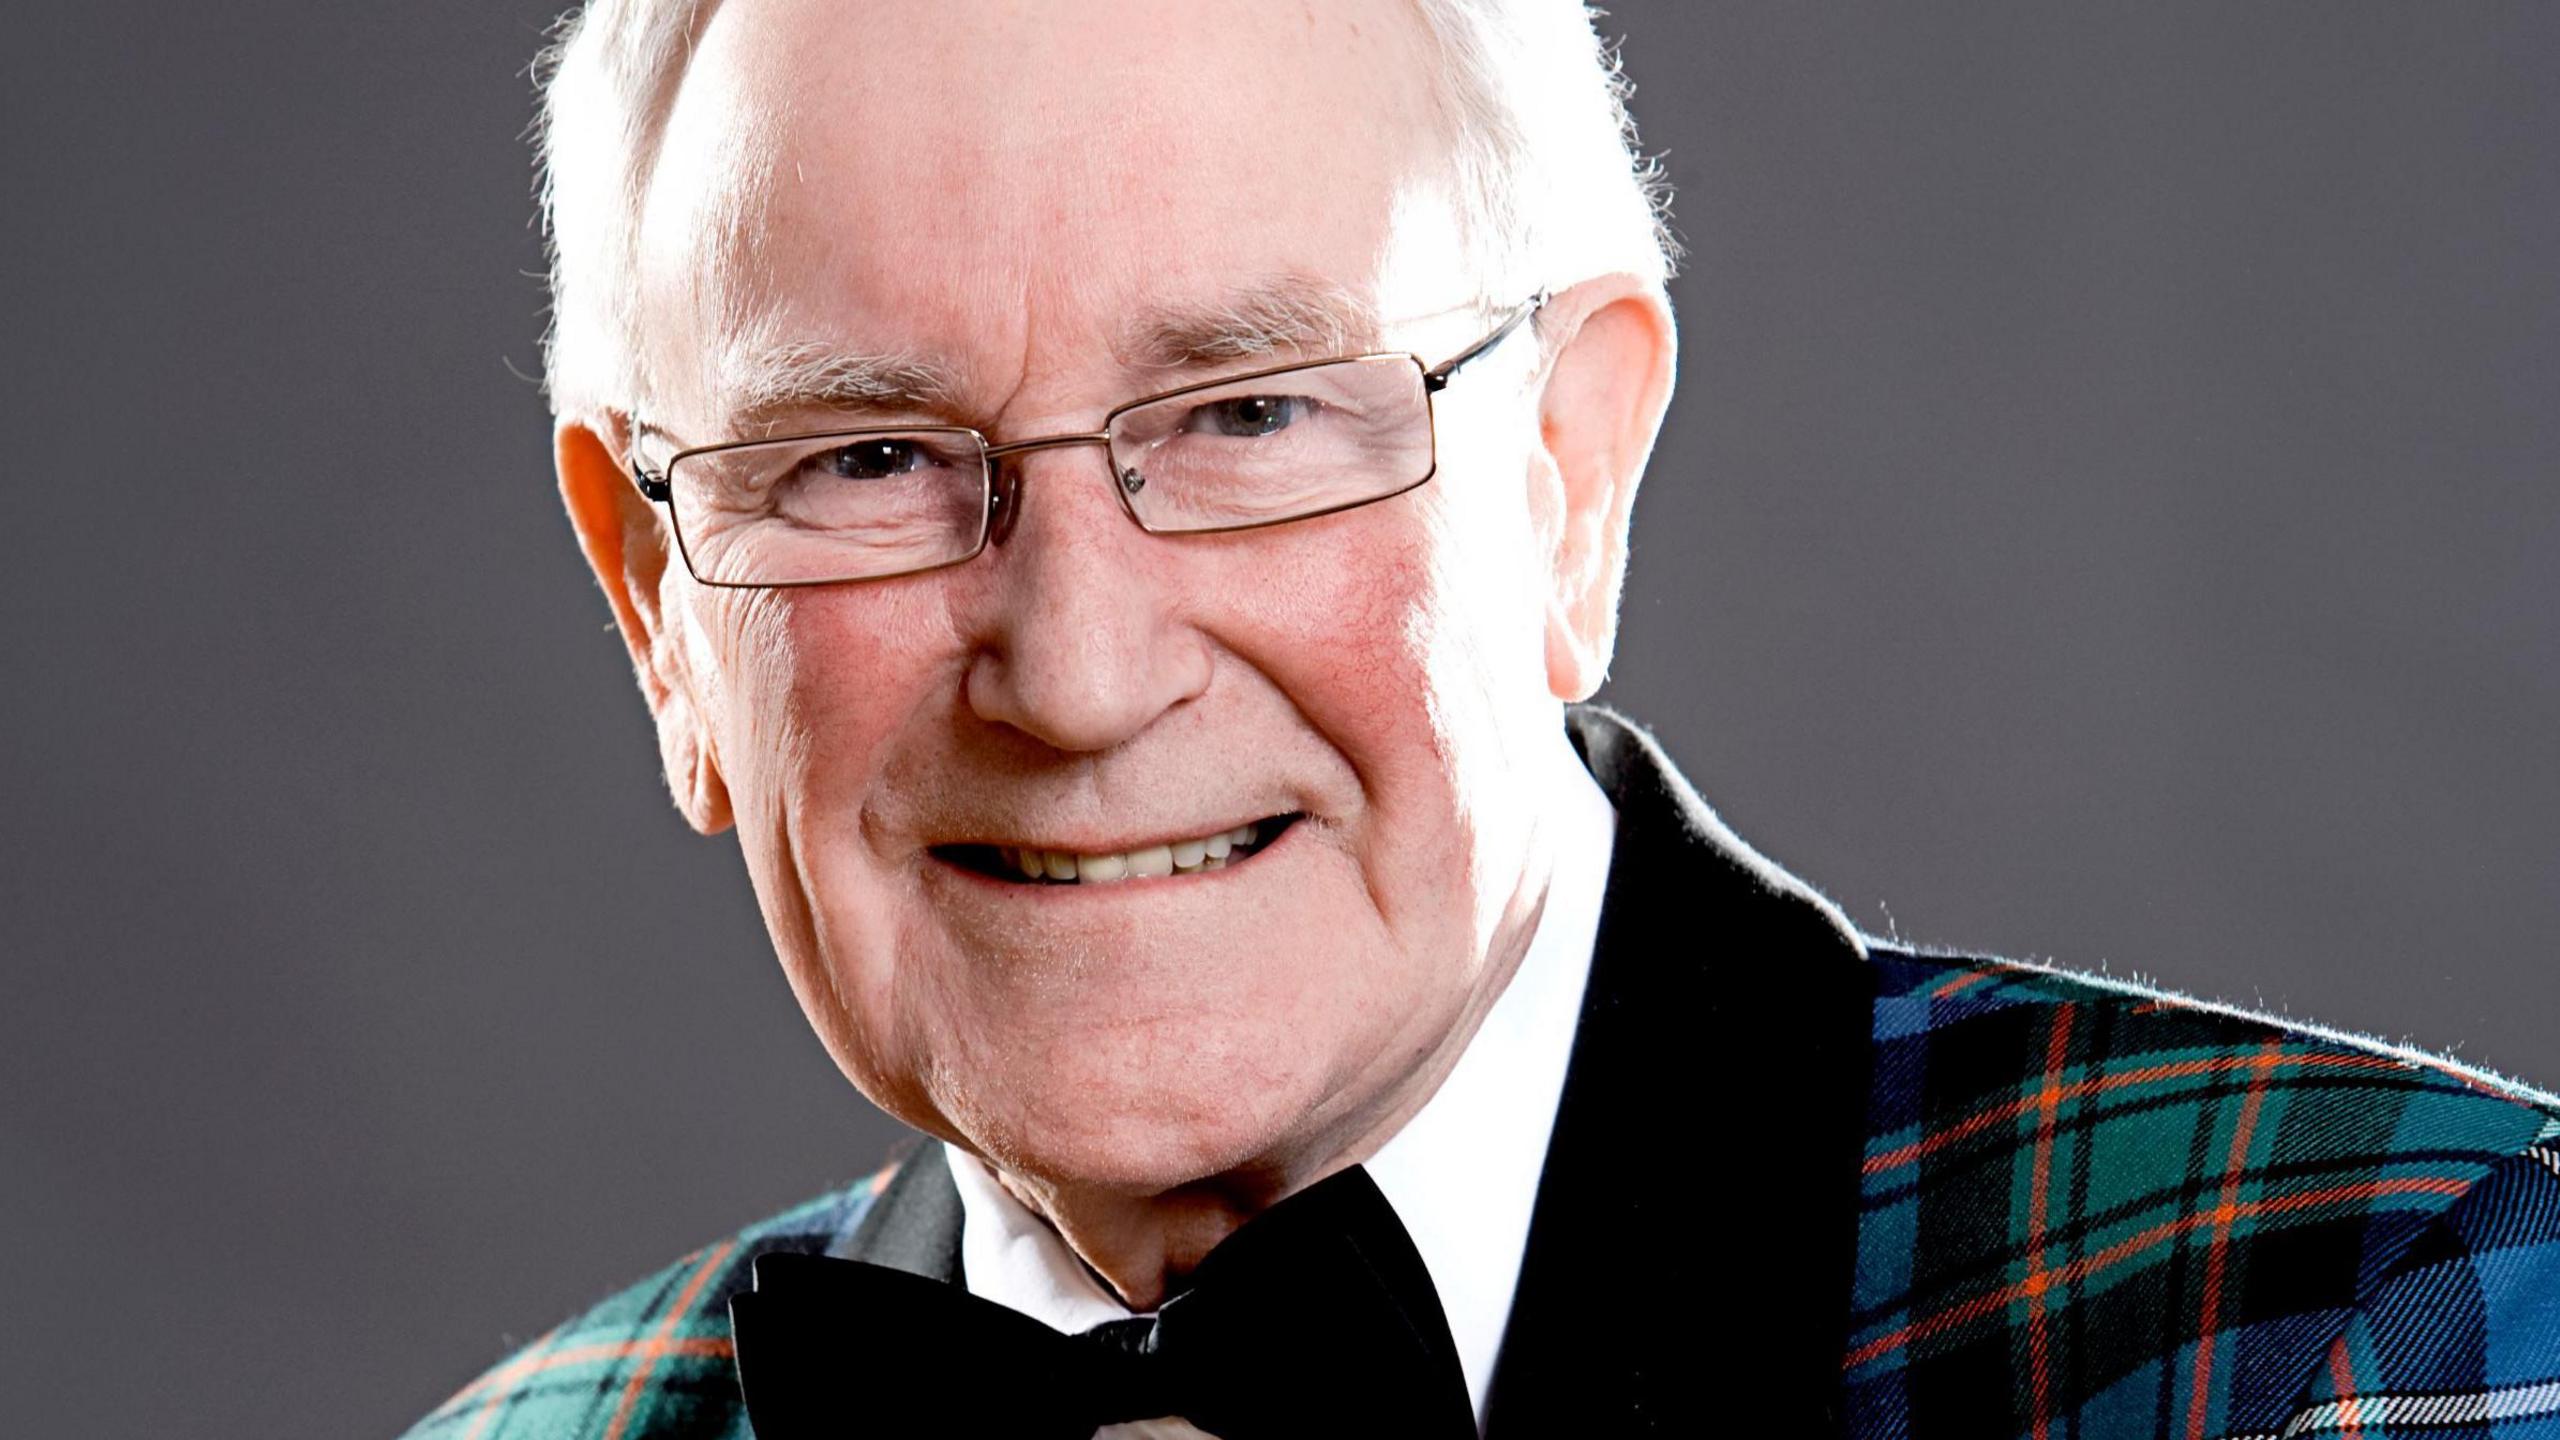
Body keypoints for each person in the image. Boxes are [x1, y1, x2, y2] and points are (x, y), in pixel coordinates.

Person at [404, 1, 2560, 1434]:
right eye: (868, 458)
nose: (1076, 671)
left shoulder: (2369, 1328)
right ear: (658, 610)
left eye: (1249, 414)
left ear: (1566, 482)